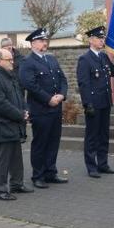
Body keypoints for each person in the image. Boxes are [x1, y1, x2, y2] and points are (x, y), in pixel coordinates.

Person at [18, 28, 69, 189]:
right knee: (40, 143)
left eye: (45, 41)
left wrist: (61, 95)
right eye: (41, 41)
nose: (44, 43)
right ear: (33, 43)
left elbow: (62, 79)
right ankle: (38, 175)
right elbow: (29, 85)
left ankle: (50, 172)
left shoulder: (51, 59)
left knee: (53, 142)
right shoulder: (28, 62)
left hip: (56, 108)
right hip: (41, 110)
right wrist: (48, 99)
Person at [76, 26, 114, 178]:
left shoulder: (103, 57)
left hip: (105, 102)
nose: (102, 41)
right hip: (93, 104)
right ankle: (91, 166)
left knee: (104, 135)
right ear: (91, 40)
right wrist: (87, 104)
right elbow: (84, 84)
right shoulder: (85, 59)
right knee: (92, 136)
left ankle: (103, 164)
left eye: (103, 38)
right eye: (99, 38)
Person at [0, 48, 29, 201]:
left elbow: (19, 96)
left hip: (13, 124)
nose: (12, 62)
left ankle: (17, 184)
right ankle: (1, 191)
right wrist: (20, 115)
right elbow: (0, 104)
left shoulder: (10, 76)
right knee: (1, 160)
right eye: (9, 59)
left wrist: (25, 109)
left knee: (16, 158)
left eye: (12, 59)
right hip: (0, 126)